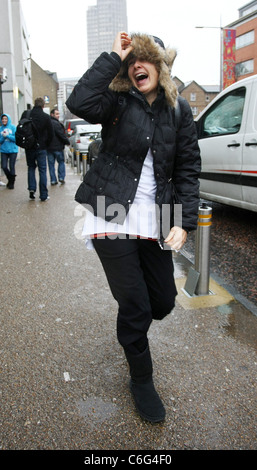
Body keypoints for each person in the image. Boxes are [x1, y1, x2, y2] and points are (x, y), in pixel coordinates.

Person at [66, 32, 201, 423]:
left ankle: (135, 323)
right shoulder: (117, 100)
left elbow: (188, 168)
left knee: (161, 301)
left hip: (156, 218)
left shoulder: (179, 112)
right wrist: (114, 55)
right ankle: (142, 379)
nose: (137, 66)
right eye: (132, 60)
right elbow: (79, 102)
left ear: (161, 65)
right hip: (109, 211)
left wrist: (184, 223)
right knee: (136, 305)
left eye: (146, 58)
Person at [25, 97, 53, 201]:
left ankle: (32, 189)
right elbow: (51, 133)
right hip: (41, 147)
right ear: (43, 106)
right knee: (42, 170)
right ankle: (43, 195)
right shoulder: (45, 117)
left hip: (29, 147)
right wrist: (46, 144)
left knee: (31, 167)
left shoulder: (27, 114)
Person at [47, 109, 70, 185]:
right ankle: (61, 177)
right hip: (58, 147)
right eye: (56, 114)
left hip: (49, 148)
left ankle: (53, 180)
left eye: (58, 114)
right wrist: (67, 142)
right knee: (61, 162)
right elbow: (61, 134)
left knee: (51, 165)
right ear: (52, 114)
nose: (58, 115)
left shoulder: (47, 123)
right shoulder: (56, 124)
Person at [0, 113, 18, 189]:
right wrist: (3, 137)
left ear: (8, 120)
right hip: (4, 150)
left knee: (11, 166)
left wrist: (7, 135)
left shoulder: (13, 127)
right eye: (3, 119)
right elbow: (0, 141)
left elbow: (16, 139)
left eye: (5, 119)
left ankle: (11, 183)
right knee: (3, 166)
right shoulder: (0, 128)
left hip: (13, 150)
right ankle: (10, 178)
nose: (4, 120)